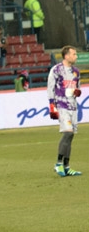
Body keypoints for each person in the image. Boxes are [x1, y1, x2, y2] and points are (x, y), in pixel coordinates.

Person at [48, 46, 82, 177]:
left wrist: (77, 92)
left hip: (73, 106)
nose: (76, 56)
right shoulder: (56, 70)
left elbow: (77, 88)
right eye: (74, 54)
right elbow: (50, 88)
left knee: (70, 136)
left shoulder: (76, 72)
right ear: (66, 56)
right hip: (61, 105)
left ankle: (67, 166)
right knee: (67, 133)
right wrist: (52, 105)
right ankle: (58, 164)